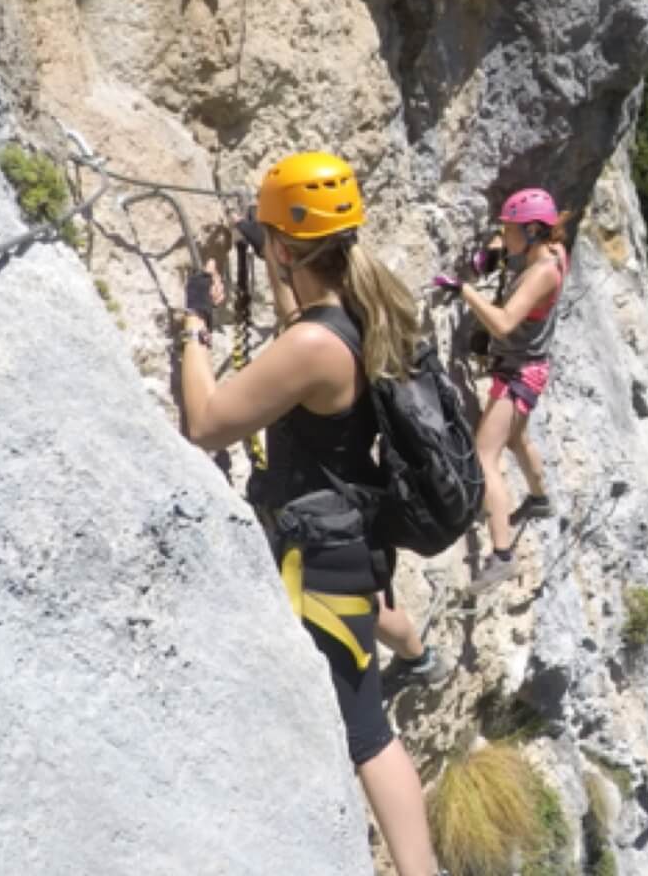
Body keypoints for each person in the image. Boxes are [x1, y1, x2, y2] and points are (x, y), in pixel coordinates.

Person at [176, 151, 444, 876]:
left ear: (289, 249)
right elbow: (302, 316)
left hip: (320, 565)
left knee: (365, 734)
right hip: (352, 541)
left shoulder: (313, 348)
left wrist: (193, 331)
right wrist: (271, 254)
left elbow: (205, 422)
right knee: (369, 728)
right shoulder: (360, 310)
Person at [434, 188, 570, 593]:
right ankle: (540, 498)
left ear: (531, 230)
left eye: (509, 230)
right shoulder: (553, 250)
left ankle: (502, 556)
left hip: (519, 373)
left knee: (485, 455)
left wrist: (464, 290)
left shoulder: (543, 271)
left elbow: (505, 323)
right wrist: (494, 250)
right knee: (516, 436)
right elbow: (512, 247)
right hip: (528, 367)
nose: (503, 235)